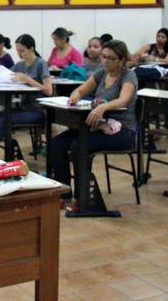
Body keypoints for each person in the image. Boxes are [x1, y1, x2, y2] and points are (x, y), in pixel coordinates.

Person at [49, 40, 137, 209]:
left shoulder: (128, 75)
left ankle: (83, 197)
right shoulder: (101, 73)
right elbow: (81, 90)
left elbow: (124, 99)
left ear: (121, 60)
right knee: (57, 143)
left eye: (110, 58)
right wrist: (75, 95)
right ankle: (64, 193)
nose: (105, 61)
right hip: (100, 126)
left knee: (78, 145)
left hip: (123, 130)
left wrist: (103, 107)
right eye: (104, 57)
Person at [0, 34, 53, 156]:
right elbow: (7, 75)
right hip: (24, 108)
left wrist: (28, 79)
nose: (19, 54)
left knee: (5, 120)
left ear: (31, 49)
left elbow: (49, 90)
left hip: (38, 110)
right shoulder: (20, 65)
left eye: (22, 51)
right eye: (17, 51)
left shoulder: (41, 64)